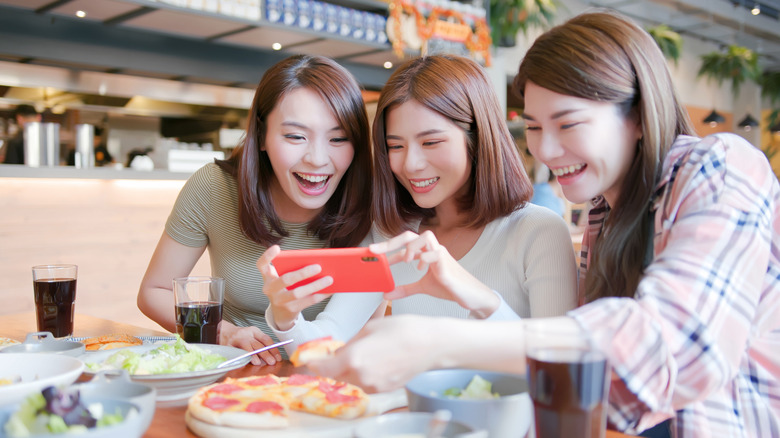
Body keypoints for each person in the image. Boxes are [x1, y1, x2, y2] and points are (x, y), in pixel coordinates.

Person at [310, 11, 780, 438]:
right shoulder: (606, 212)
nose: (546, 151)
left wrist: (437, 342)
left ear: (637, 116)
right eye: (534, 127)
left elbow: (676, 343)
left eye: (568, 124)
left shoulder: (719, 167)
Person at [259, 54, 577, 354]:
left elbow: (559, 363)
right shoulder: (391, 234)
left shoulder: (539, 232)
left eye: (431, 142)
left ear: (478, 138)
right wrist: (286, 317)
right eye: (395, 145)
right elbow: (325, 341)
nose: (410, 164)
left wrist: (481, 300)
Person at [137, 55, 373, 366]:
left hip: (327, 378)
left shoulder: (371, 208)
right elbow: (155, 291)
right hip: (235, 370)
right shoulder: (215, 186)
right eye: (295, 136)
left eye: (339, 138)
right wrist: (223, 333)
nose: (317, 158)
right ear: (261, 136)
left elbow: (340, 334)